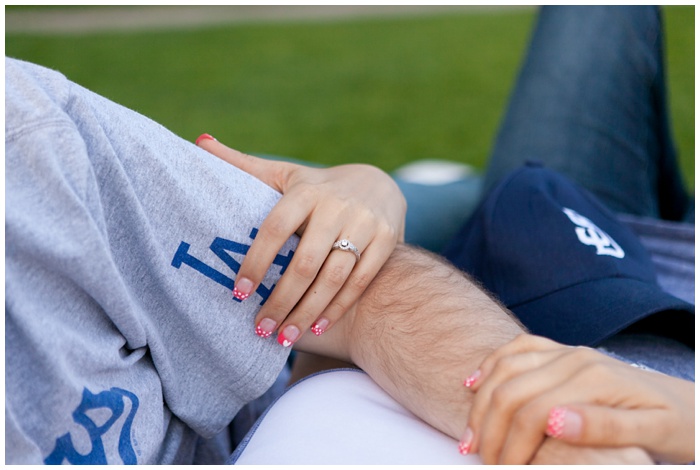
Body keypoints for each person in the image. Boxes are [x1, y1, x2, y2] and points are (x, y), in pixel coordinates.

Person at [9, 55, 637, 466]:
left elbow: (366, 294)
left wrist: (366, 192)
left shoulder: (26, 138)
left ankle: (419, 188)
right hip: (318, 354)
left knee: (514, 195)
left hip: (335, 296)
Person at [228, 5, 694, 465]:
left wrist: (371, 189)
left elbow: (326, 366)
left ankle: (441, 189)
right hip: (596, 265)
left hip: (528, 247)